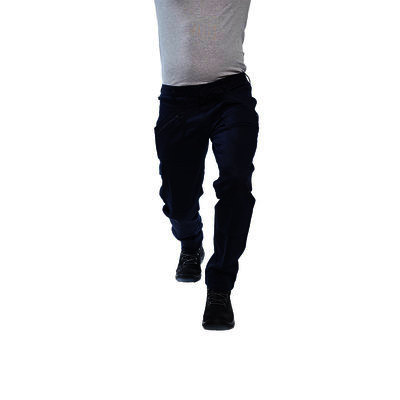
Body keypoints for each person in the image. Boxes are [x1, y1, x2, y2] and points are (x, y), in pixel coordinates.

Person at [153, 0, 258, 330]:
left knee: (236, 183)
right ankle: (190, 243)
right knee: (178, 201)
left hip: (231, 97)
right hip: (178, 102)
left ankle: (220, 288)